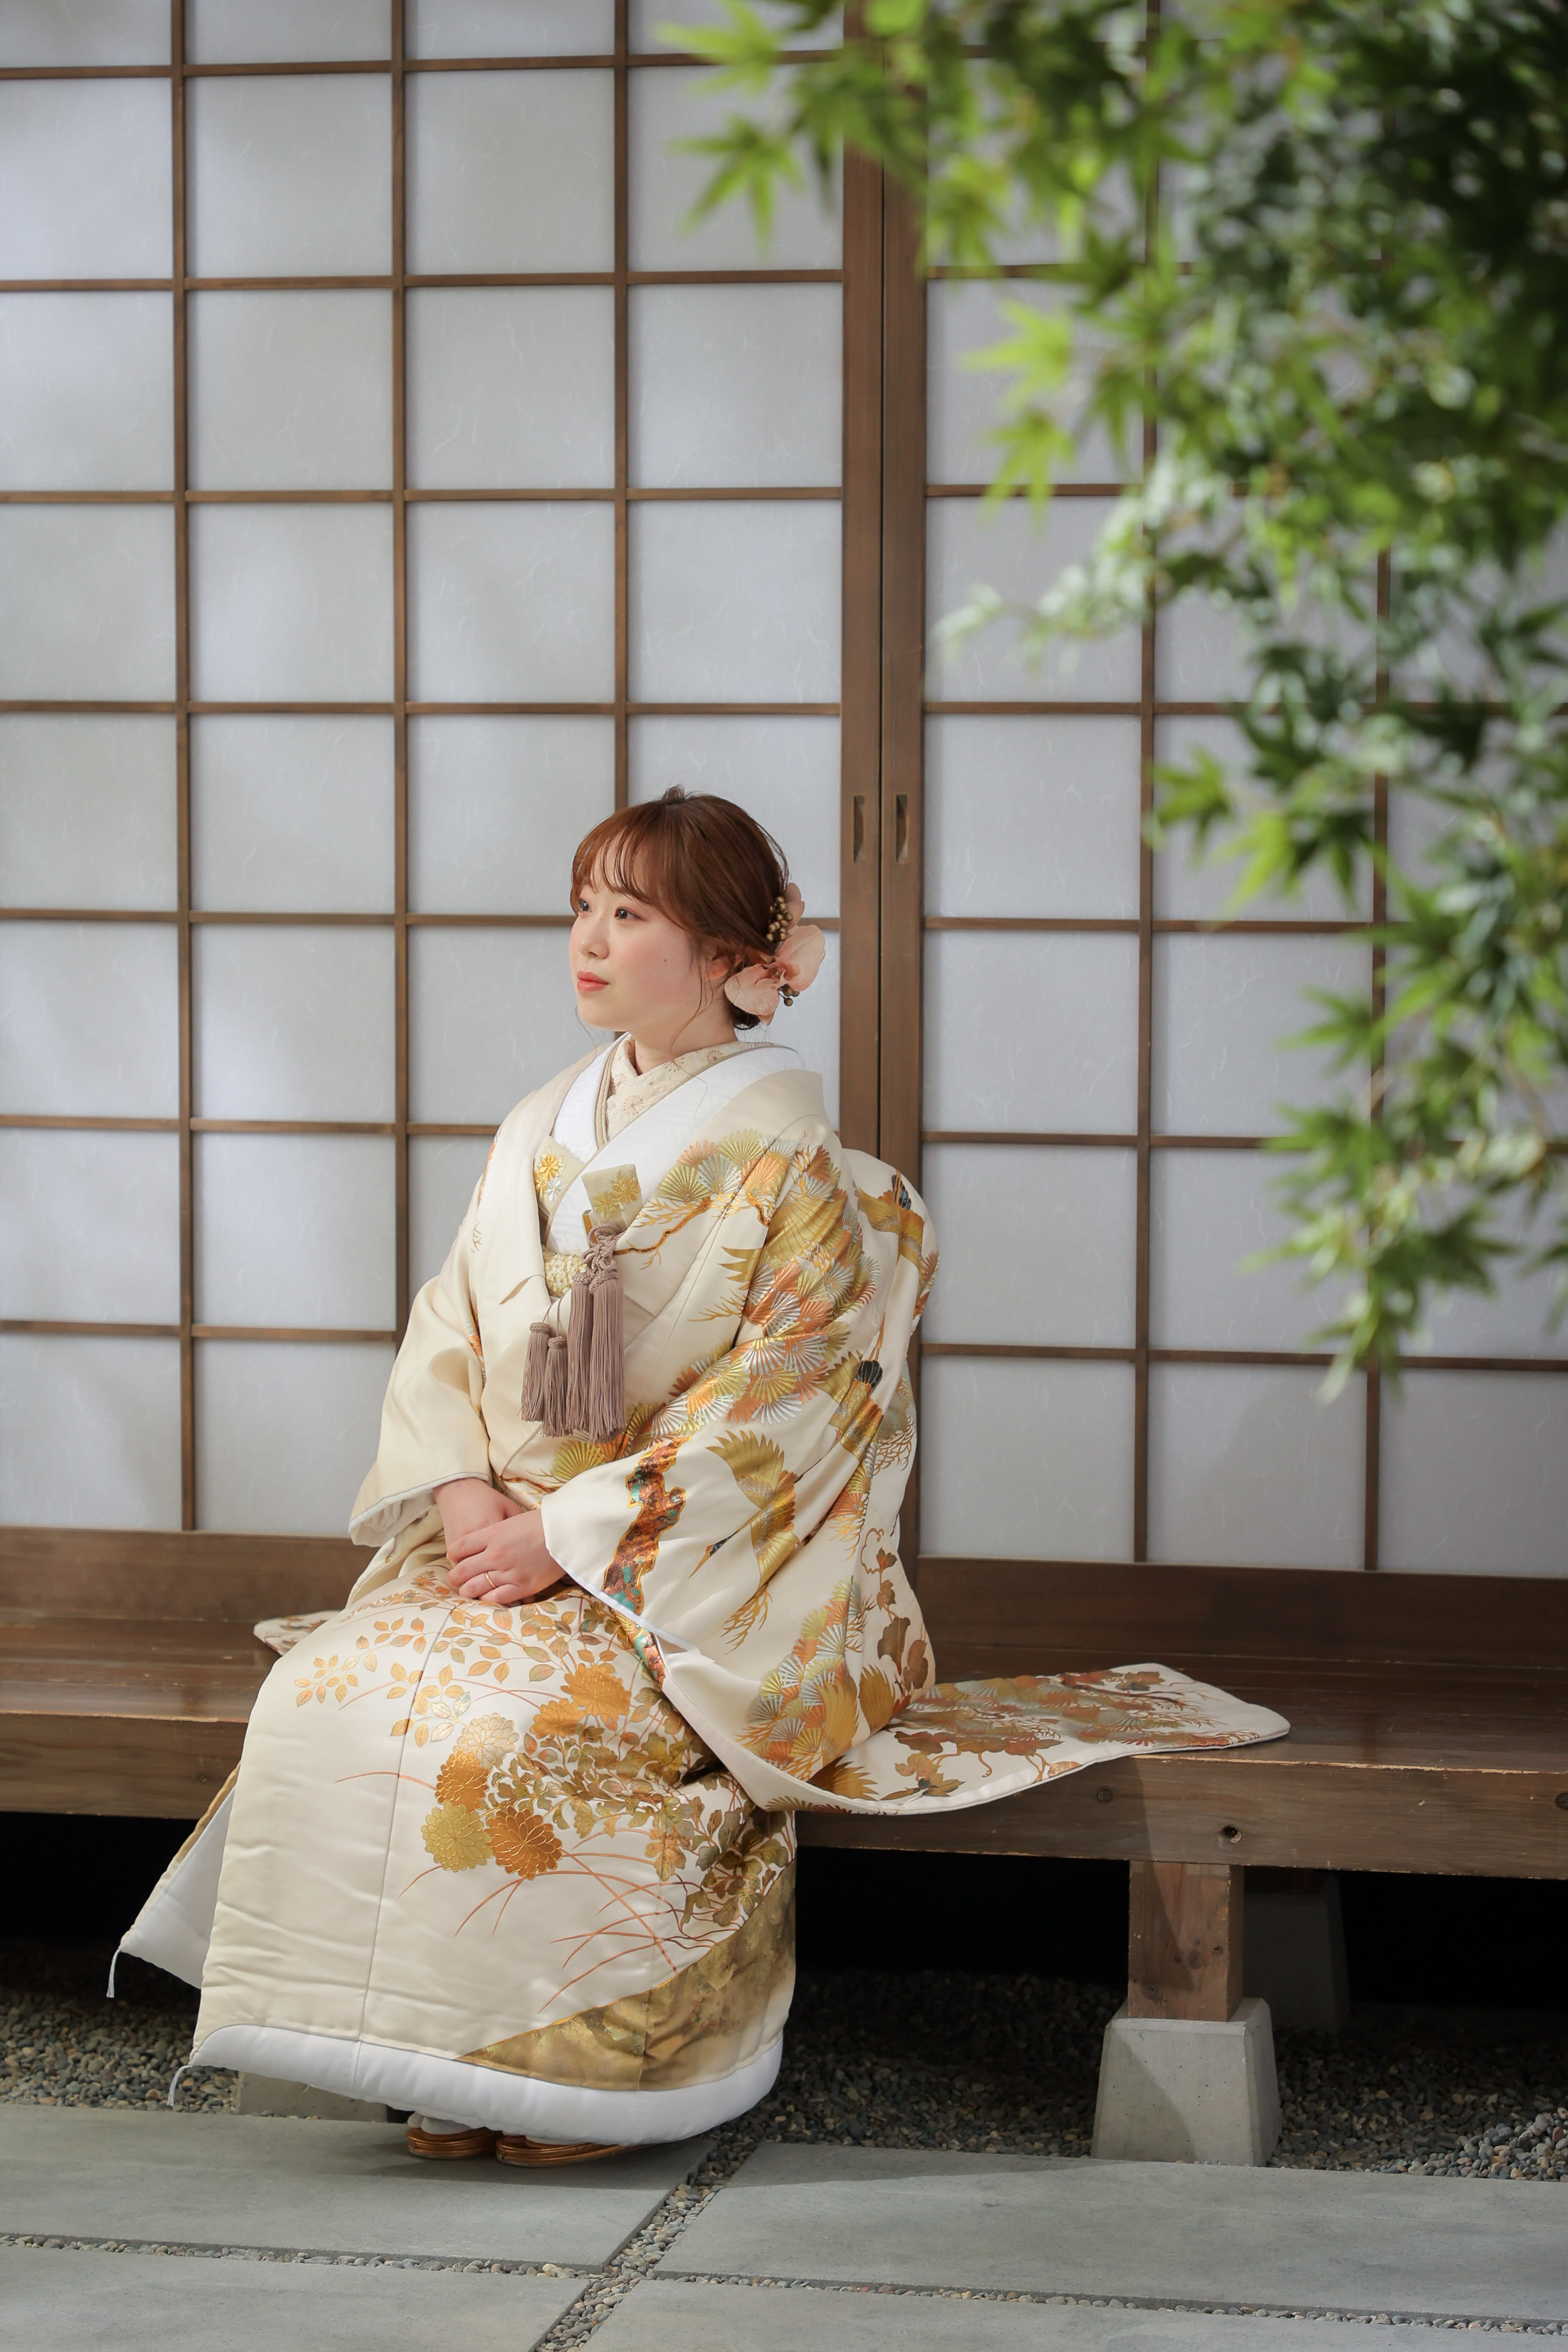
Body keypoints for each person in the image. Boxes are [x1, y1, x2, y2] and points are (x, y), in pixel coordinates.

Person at [121, 789, 1284, 2163]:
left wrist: (572, 1534)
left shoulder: (793, 1160)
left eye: (630, 915)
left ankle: (590, 2073)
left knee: (527, 1732)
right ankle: (433, 2058)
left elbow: (792, 1403)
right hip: (503, 1543)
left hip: (690, 1577)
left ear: (735, 958)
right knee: (334, 1686)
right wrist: (462, 1496)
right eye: (583, 907)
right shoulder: (539, 1125)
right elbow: (450, 1327)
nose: (588, 941)